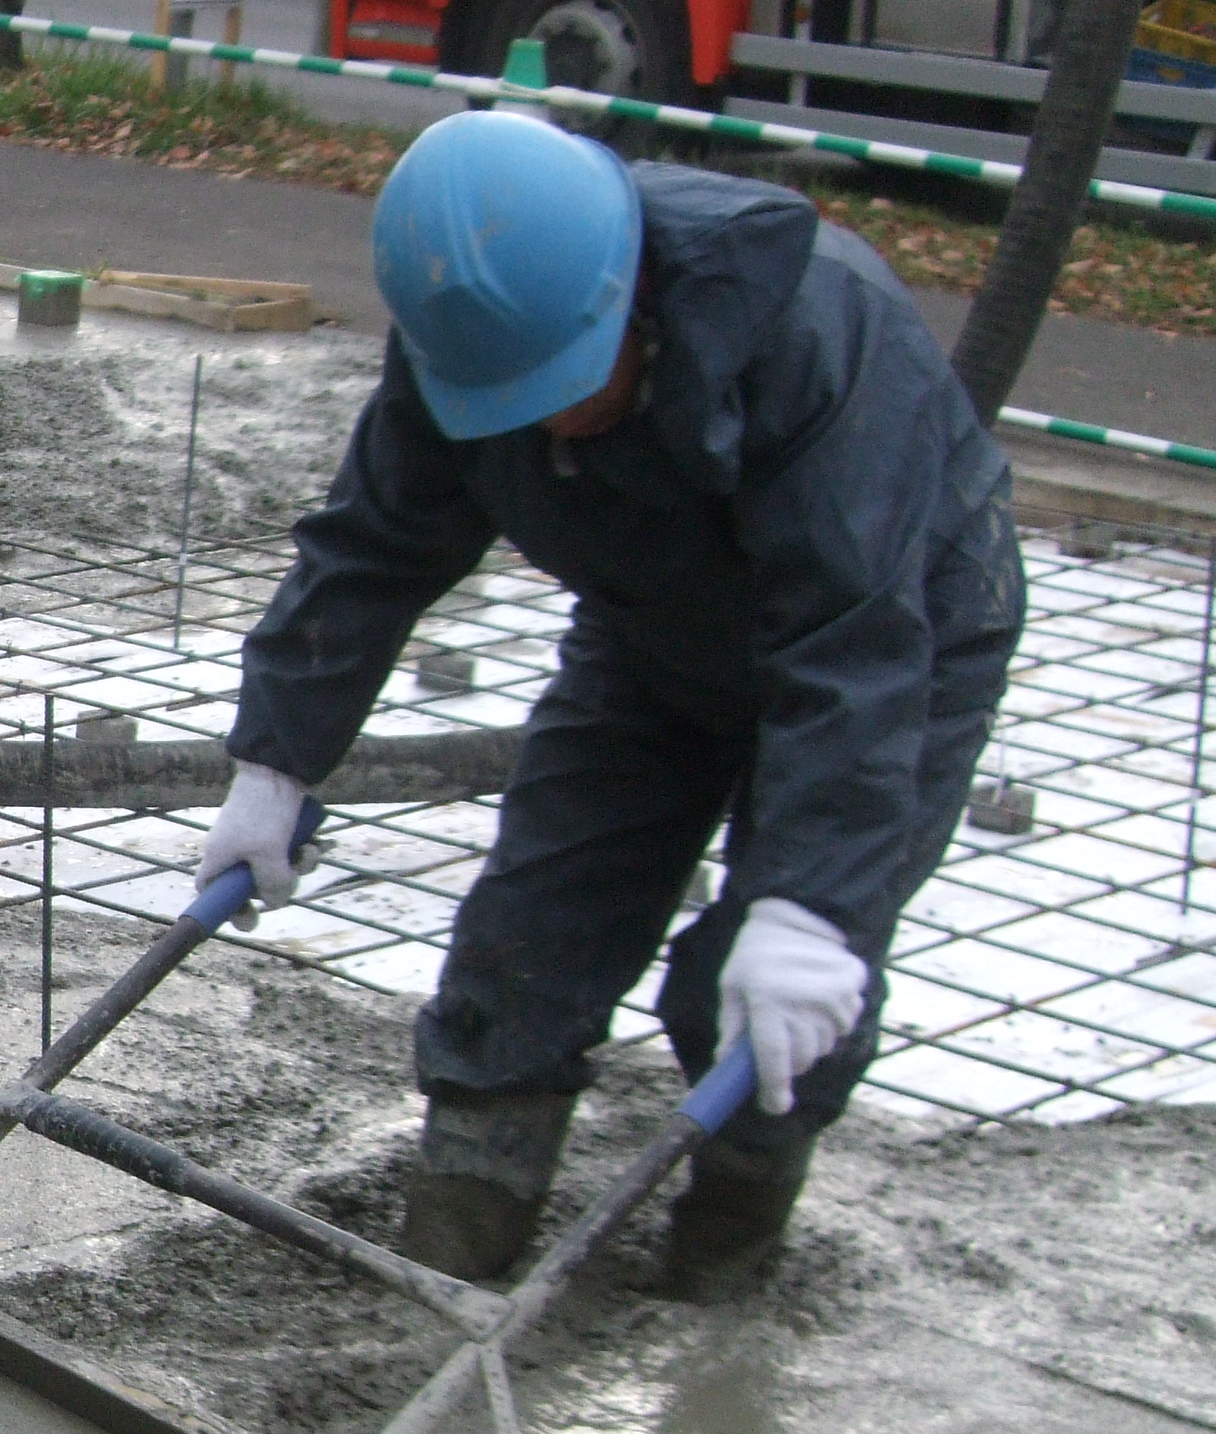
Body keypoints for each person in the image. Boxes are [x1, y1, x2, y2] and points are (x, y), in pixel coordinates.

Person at [200, 109, 1024, 1296]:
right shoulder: (467, 333)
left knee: (755, 1001)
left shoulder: (813, 336)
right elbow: (371, 549)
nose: (541, 423)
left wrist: (807, 910)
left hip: (901, 643)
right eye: (512, 402)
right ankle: (454, 1253)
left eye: (567, 388)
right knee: (524, 942)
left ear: (631, 296)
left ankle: (720, 1264)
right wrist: (274, 764)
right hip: (651, 634)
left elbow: (853, 650)